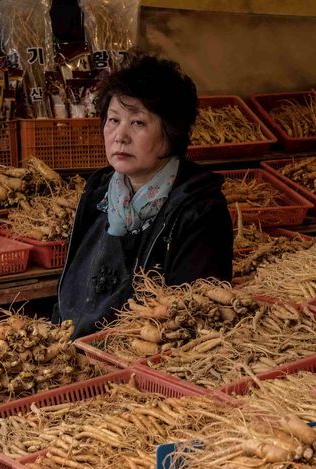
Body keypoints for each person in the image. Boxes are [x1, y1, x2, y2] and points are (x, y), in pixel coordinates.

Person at [55, 54, 233, 338]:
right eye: (113, 120)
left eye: (137, 123)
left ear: (171, 132)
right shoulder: (98, 192)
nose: (120, 136)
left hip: (142, 365)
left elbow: (190, 321)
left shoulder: (199, 210)